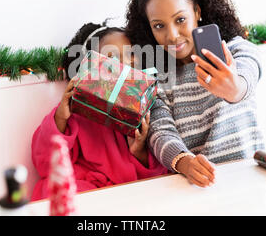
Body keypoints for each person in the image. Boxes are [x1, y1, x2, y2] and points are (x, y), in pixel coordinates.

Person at [124, 0, 264, 188]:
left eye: (180, 20)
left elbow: (251, 67)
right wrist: (184, 162)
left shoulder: (234, 50)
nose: (171, 35)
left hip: (251, 177)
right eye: (159, 26)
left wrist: (235, 88)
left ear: (197, 12)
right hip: (199, 186)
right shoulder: (157, 79)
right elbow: (160, 132)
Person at [31, 21, 168, 201]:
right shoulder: (74, 112)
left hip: (123, 196)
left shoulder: (146, 110)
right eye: (113, 60)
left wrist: (139, 151)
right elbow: (46, 165)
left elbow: (156, 178)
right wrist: (61, 119)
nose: (125, 65)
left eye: (132, 55)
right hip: (84, 191)